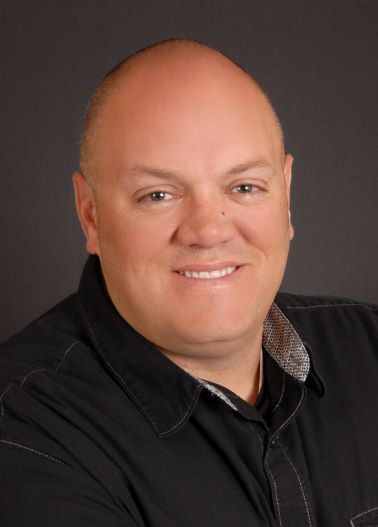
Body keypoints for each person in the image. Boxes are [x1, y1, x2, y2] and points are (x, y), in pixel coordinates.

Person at [0, 39, 377, 527]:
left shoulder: (369, 348)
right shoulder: (24, 430)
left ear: (285, 195)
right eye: (158, 194)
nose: (209, 230)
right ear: (90, 215)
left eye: (244, 187)